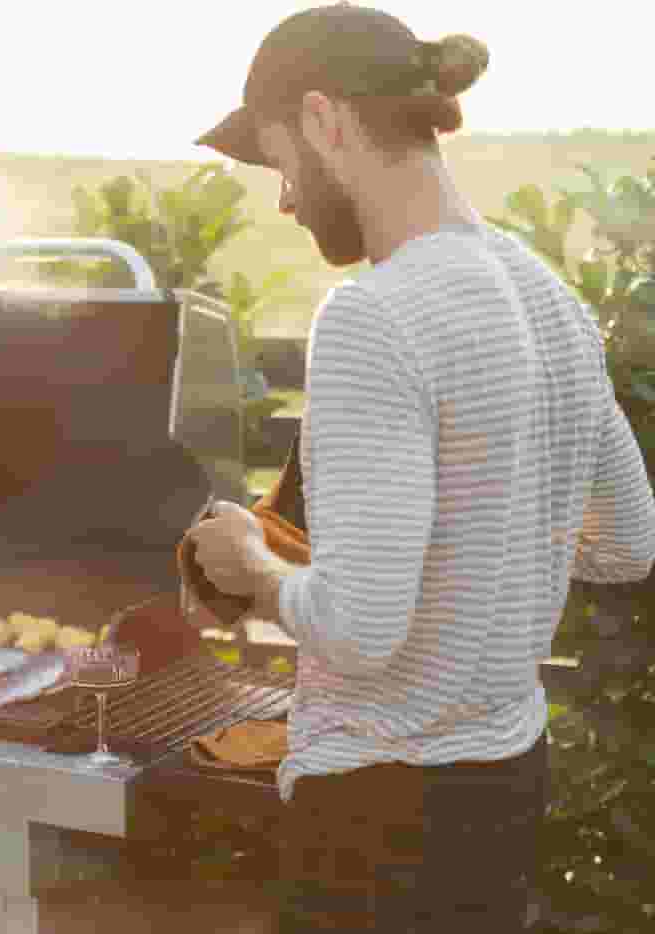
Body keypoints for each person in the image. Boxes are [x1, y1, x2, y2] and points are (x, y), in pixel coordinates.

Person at [186, 4, 655, 932]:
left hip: (376, 823)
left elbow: (359, 633)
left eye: (279, 160)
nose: (283, 197)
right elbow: (628, 545)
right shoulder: (549, 298)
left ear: (326, 122)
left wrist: (254, 572)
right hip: (504, 788)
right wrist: (489, 545)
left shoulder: (376, 314)